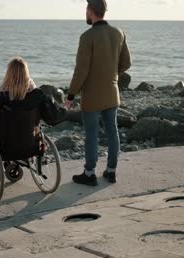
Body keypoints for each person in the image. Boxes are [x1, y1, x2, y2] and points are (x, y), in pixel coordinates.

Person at [0, 57, 66, 190]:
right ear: (27, 74)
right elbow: (52, 118)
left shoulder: (1, 97)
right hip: (31, 145)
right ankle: (11, 163)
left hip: (5, 147)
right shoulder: (38, 95)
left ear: (8, 74)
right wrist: (64, 110)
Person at [65, 0, 131, 186]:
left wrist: (71, 95)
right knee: (112, 132)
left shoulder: (87, 37)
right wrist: (111, 74)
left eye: (86, 10)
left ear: (90, 11)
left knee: (92, 134)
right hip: (112, 91)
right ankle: (111, 172)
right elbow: (126, 63)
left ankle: (89, 173)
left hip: (92, 96)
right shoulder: (119, 33)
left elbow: (81, 71)